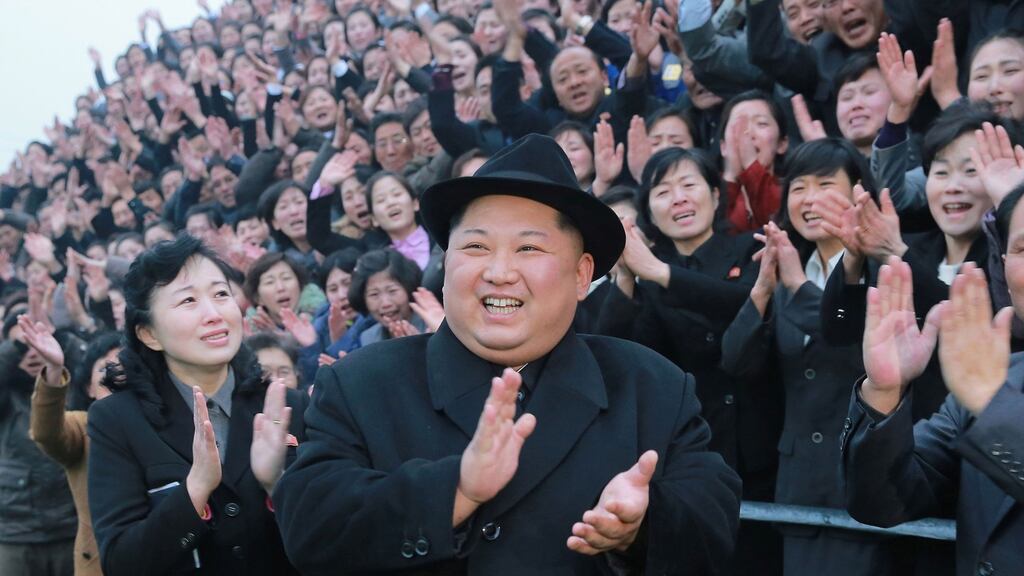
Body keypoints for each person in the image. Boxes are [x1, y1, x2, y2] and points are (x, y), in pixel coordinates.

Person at [273, 133, 741, 574]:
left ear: (581, 275)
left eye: (529, 248)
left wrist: (640, 527)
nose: (499, 272)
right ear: (446, 262)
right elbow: (310, 525)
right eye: (476, 246)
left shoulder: (651, 385)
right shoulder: (360, 383)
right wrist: (453, 491)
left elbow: (714, 524)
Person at [86, 236, 308, 575]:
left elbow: (330, 537)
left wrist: (276, 484)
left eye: (221, 294)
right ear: (149, 334)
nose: (214, 313)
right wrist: (195, 490)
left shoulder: (287, 407)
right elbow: (121, 561)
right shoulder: (116, 420)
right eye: (188, 300)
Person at [26, 329, 120, 576]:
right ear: (89, 387)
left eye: (125, 366)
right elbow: (46, 432)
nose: (115, 375)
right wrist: (54, 370)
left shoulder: (162, 423)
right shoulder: (83, 426)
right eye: (104, 369)